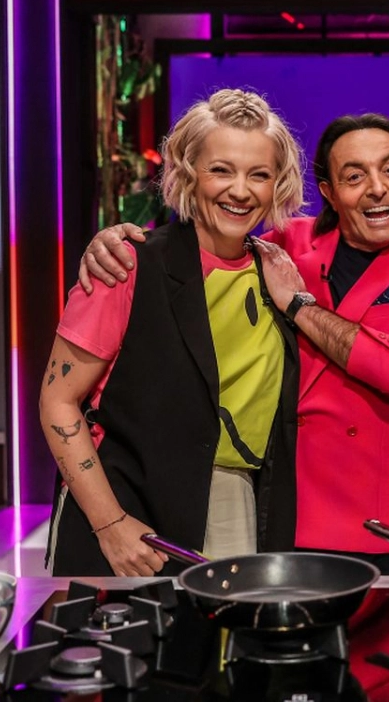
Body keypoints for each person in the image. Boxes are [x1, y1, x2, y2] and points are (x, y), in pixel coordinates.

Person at [80, 113, 389, 574]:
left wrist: (299, 306)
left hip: (381, 524)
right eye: (354, 176)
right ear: (328, 191)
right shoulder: (284, 244)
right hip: (280, 511)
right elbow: (202, 251)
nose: (376, 188)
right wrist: (117, 244)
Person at [40, 89, 304, 576]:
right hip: (129, 508)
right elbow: (58, 402)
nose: (240, 190)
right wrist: (111, 524)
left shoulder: (279, 269)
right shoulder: (125, 265)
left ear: (278, 183)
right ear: (187, 172)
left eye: (259, 174)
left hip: (237, 503)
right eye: (221, 169)